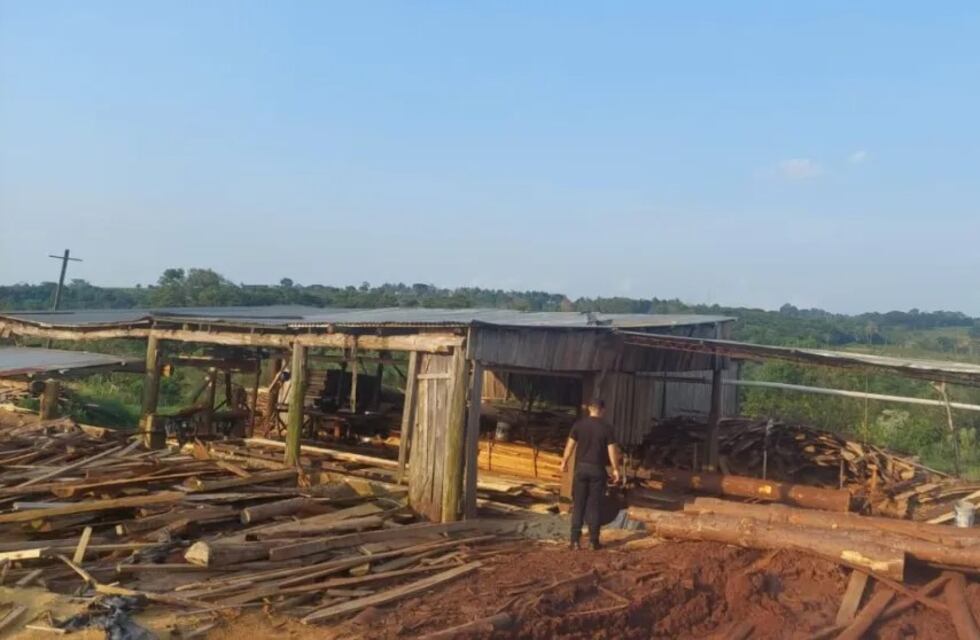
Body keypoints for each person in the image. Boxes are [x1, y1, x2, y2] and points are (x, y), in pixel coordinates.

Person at [560, 398, 622, 550]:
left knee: (579, 504)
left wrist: (564, 461)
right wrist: (615, 469)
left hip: (581, 468)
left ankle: (575, 541)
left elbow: (570, 445)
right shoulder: (607, 428)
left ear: (589, 409)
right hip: (597, 470)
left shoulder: (579, 425)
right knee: (594, 504)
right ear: (603, 410)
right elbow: (612, 451)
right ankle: (593, 541)